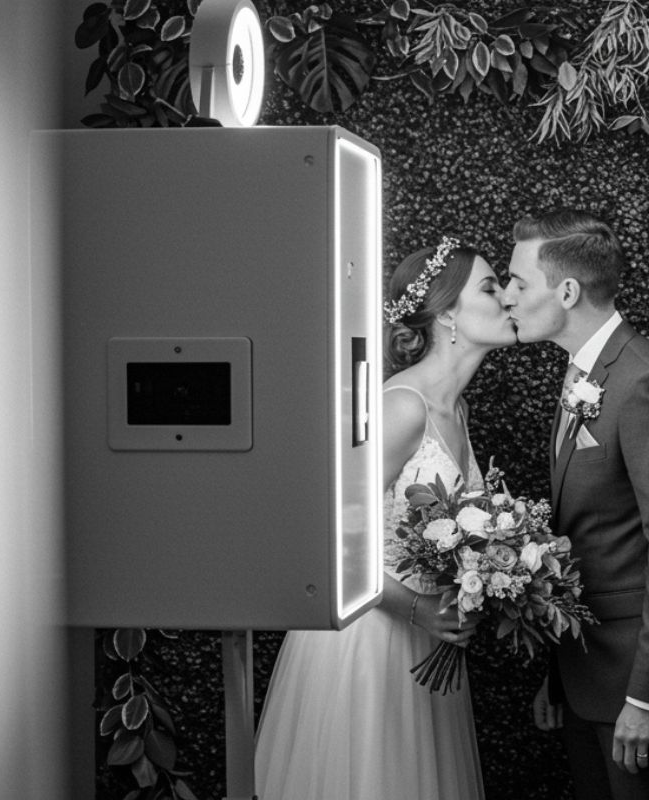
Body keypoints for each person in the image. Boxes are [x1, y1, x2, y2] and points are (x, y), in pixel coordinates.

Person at [254, 236, 517, 800]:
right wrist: (419, 608)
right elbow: (326, 536)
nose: (509, 299)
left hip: (427, 643)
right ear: (447, 312)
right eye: (492, 288)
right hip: (371, 642)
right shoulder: (401, 407)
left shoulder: (456, 407)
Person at [502, 209, 649, 800]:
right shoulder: (585, 373)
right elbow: (594, 536)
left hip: (641, 686)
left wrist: (647, 696)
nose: (507, 296)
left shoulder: (645, 382)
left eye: (518, 282)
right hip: (588, 675)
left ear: (568, 290)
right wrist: (559, 673)